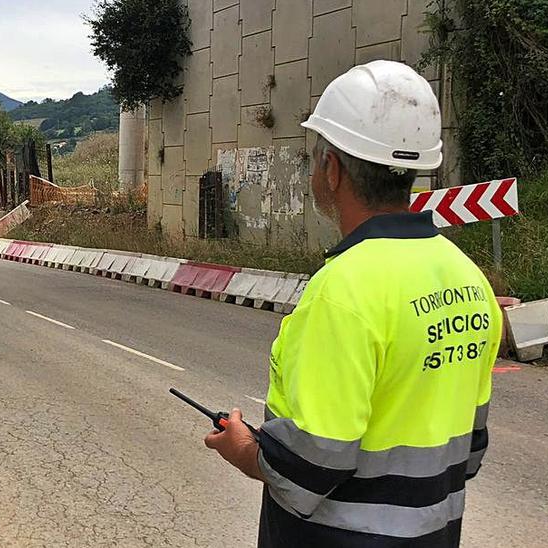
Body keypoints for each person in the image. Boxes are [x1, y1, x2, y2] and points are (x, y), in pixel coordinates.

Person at [204, 60, 502, 547]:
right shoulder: (467, 276)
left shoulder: (342, 290)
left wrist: (245, 451)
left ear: (333, 168)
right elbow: (470, 450)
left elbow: (311, 466)